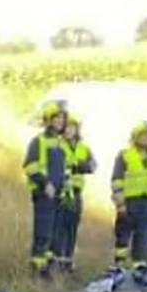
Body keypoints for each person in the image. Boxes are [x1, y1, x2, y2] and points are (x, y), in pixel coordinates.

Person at [23, 102, 69, 277]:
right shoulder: (38, 141)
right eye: (56, 118)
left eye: (62, 118)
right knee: (42, 234)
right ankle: (36, 270)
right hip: (44, 194)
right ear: (48, 120)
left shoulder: (61, 144)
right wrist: (45, 184)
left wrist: (65, 188)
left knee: (54, 236)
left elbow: (65, 169)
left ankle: (47, 269)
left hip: (58, 195)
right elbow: (30, 166)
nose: (60, 121)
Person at [111, 122, 147, 270]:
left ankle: (139, 267)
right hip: (129, 202)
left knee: (143, 237)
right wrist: (120, 203)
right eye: (143, 135)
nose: (146, 138)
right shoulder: (125, 155)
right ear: (135, 137)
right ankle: (119, 265)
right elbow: (117, 180)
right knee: (123, 235)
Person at [56, 113, 95, 273]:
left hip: (76, 193)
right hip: (61, 192)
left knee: (72, 228)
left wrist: (78, 165)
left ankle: (68, 262)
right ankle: (58, 261)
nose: (68, 130)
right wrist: (76, 166)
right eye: (66, 127)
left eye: (72, 127)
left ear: (77, 129)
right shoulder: (57, 144)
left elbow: (92, 166)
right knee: (59, 228)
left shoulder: (84, 148)